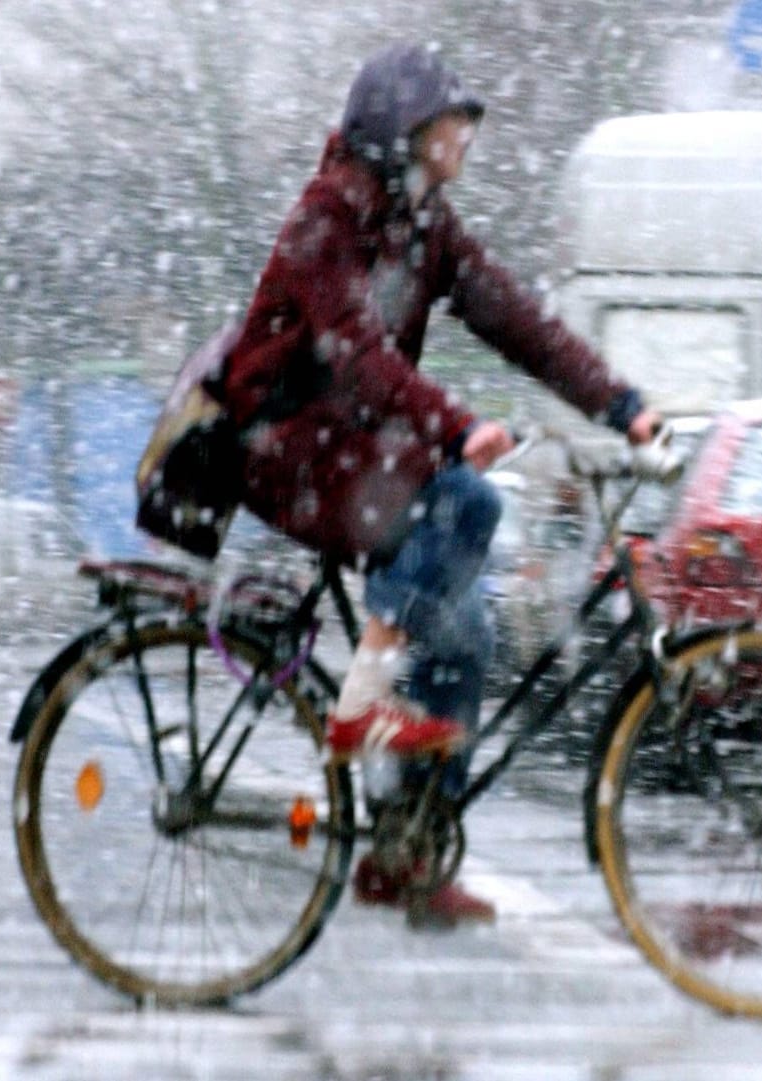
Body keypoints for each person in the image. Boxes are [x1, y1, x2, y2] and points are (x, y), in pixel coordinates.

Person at [220, 43, 659, 924]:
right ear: (404, 132)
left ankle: (405, 852)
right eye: (452, 123)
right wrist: (454, 425)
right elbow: (353, 349)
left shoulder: (425, 224)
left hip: (355, 447)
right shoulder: (328, 217)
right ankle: (359, 703)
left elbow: (516, 320)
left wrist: (617, 404)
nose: (464, 139)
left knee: (469, 639)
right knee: (468, 497)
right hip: (285, 443)